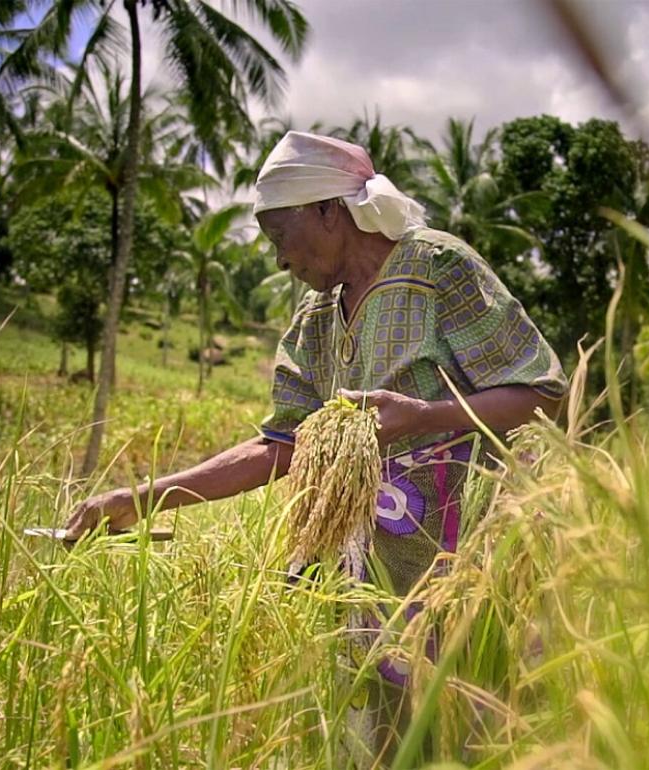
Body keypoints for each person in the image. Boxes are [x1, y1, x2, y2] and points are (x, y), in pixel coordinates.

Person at [64, 130, 566, 596]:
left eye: (280, 236)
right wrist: (143, 498)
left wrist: (427, 417)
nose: (280, 260)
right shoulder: (315, 316)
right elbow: (280, 445)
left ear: (328, 210)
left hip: (469, 569)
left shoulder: (438, 267)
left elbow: (543, 396)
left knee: (467, 689)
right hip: (366, 581)